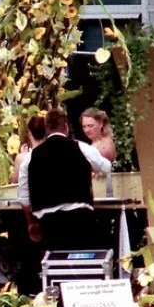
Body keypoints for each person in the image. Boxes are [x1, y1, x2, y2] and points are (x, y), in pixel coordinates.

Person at [18, 109, 112, 254]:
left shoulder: (30, 158)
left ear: (47, 129)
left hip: (48, 222)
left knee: (54, 265)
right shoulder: (81, 148)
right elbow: (106, 167)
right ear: (66, 127)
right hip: (80, 218)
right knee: (82, 261)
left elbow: (24, 197)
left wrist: (31, 223)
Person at [11, 114, 48, 184]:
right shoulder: (54, 153)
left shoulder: (21, 158)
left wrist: (23, 154)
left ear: (29, 133)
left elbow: (15, 183)